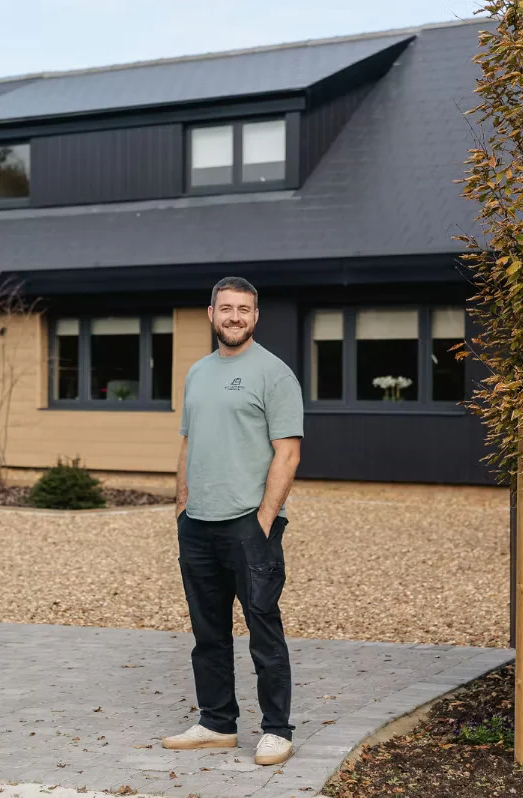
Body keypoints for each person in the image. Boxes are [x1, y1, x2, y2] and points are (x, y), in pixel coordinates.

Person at [161, 276, 303, 767]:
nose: (235, 317)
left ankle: (276, 730)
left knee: (263, 627)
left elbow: (288, 450)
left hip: (249, 524)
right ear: (211, 314)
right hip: (197, 523)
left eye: (244, 309)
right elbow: (188, 442)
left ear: (255, 317)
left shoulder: (274, 373)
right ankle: (217, 722)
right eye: (227, 308)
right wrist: (181, 503)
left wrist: (264, 518)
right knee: (208, 632)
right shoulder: (198, 373)